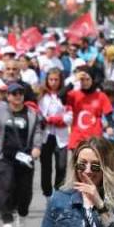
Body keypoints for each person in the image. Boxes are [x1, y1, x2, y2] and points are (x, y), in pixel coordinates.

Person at [0, 82, 45, 227]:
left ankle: (22, 214)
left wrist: (37, 148)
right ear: (8, 96)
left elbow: (38, 132)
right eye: (14, 94)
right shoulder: (0, 111)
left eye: (20, 93)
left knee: (24, 191)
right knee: (5, 187)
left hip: (25, 157)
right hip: (3, 157)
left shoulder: (32, 114)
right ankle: (7, 218)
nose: (18, 96)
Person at [37, 68, 71, 197]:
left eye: (56, 79)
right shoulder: (42, 96)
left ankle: (58, 193)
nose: (53, 82)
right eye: (51, 79)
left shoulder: (65, 96)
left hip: (61, 136)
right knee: (46, 167)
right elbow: (39, 115)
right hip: (45, 136)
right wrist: (47, 120)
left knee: (61, 166)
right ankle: (47, 194)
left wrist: (51, 119)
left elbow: (68, 118)